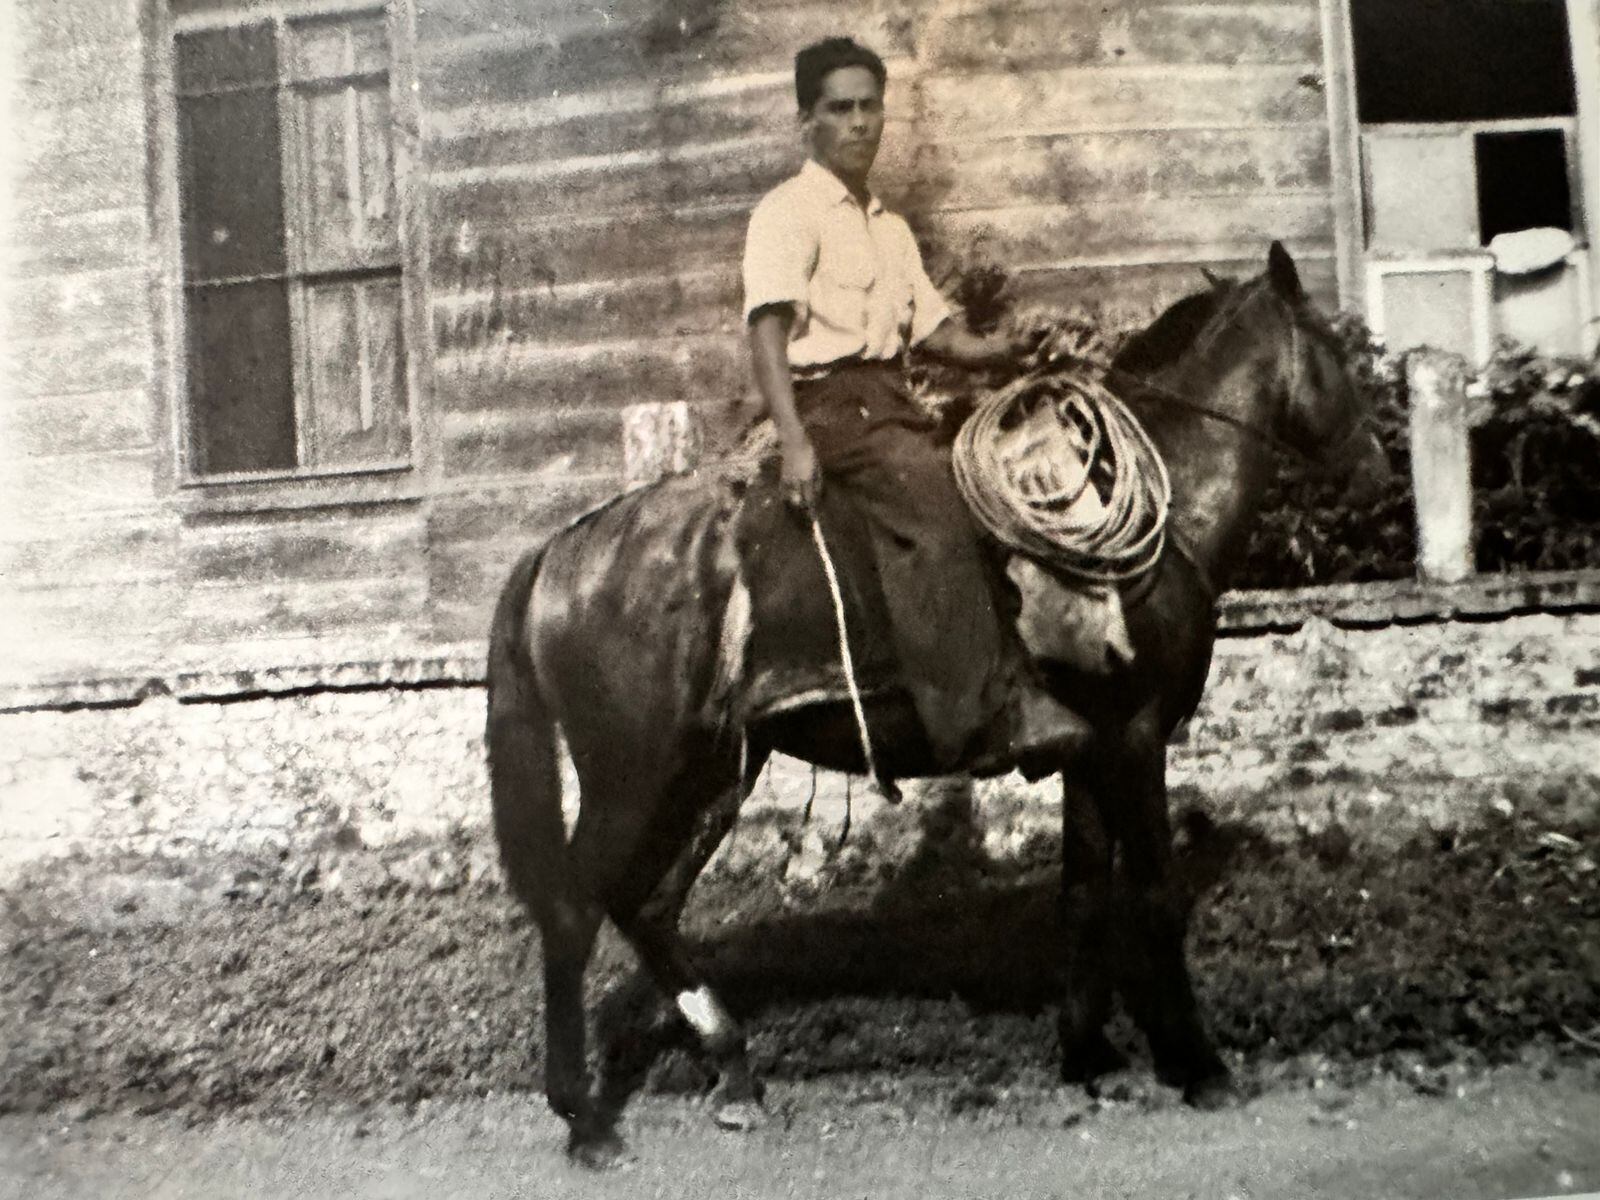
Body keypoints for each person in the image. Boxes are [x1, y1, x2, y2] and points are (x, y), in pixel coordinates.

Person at [741, 36, 1081, 771]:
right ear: (807, 120)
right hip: (829, 408)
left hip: (889, 404)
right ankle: (985, 711)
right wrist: (795, 441)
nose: (860, 123)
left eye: (870, 107)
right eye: (840, 109)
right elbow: (766, 336)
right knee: (933, 494)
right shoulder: (788, 212)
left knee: (995, 482)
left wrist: (1009, 349)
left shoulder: (889, 229)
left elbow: (939, 335)